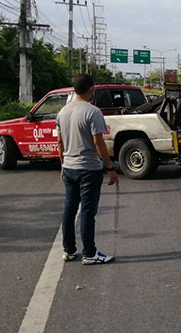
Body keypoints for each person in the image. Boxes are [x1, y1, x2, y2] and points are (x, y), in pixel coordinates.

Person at [57, 74, 118, 265]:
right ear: (91, 89)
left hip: (69, 167)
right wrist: (110, 167)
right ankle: (90, 253)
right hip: (89, 169)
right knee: (87, 212)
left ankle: (68, 250)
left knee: (69, 209)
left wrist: (62, 164)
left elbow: (59, 142)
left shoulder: (63, 112)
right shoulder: (93, 112)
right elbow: (98, 142)